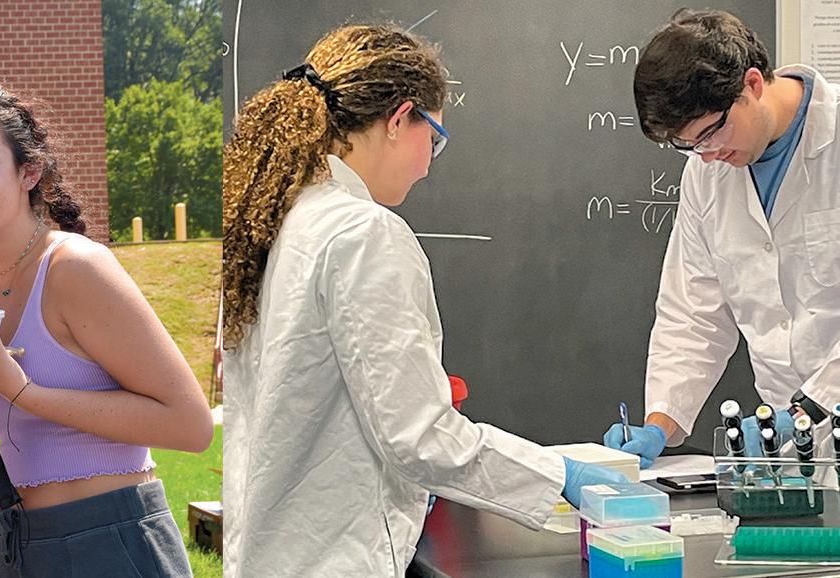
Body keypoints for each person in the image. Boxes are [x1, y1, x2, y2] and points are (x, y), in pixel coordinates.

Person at [217, 25, 635, 576]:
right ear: (398, 120)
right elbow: (420, 436)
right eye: (433, 138)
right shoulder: (362, 234)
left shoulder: (270, 223)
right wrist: (559, 475)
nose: (428, 164)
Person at [0, 85, 215, 577]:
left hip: (108, 542)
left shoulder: (74, 268)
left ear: (29, 172)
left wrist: (24, 392)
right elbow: (17, 448)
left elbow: (191, 426)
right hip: (13, 546)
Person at [605, 7, 840, 500]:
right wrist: (660, 423)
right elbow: (692, 312)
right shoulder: (706, 172)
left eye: (710, 133)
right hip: (784, 447)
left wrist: (808, 410)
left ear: (753, 84)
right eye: (686, 145)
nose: (706, 155)